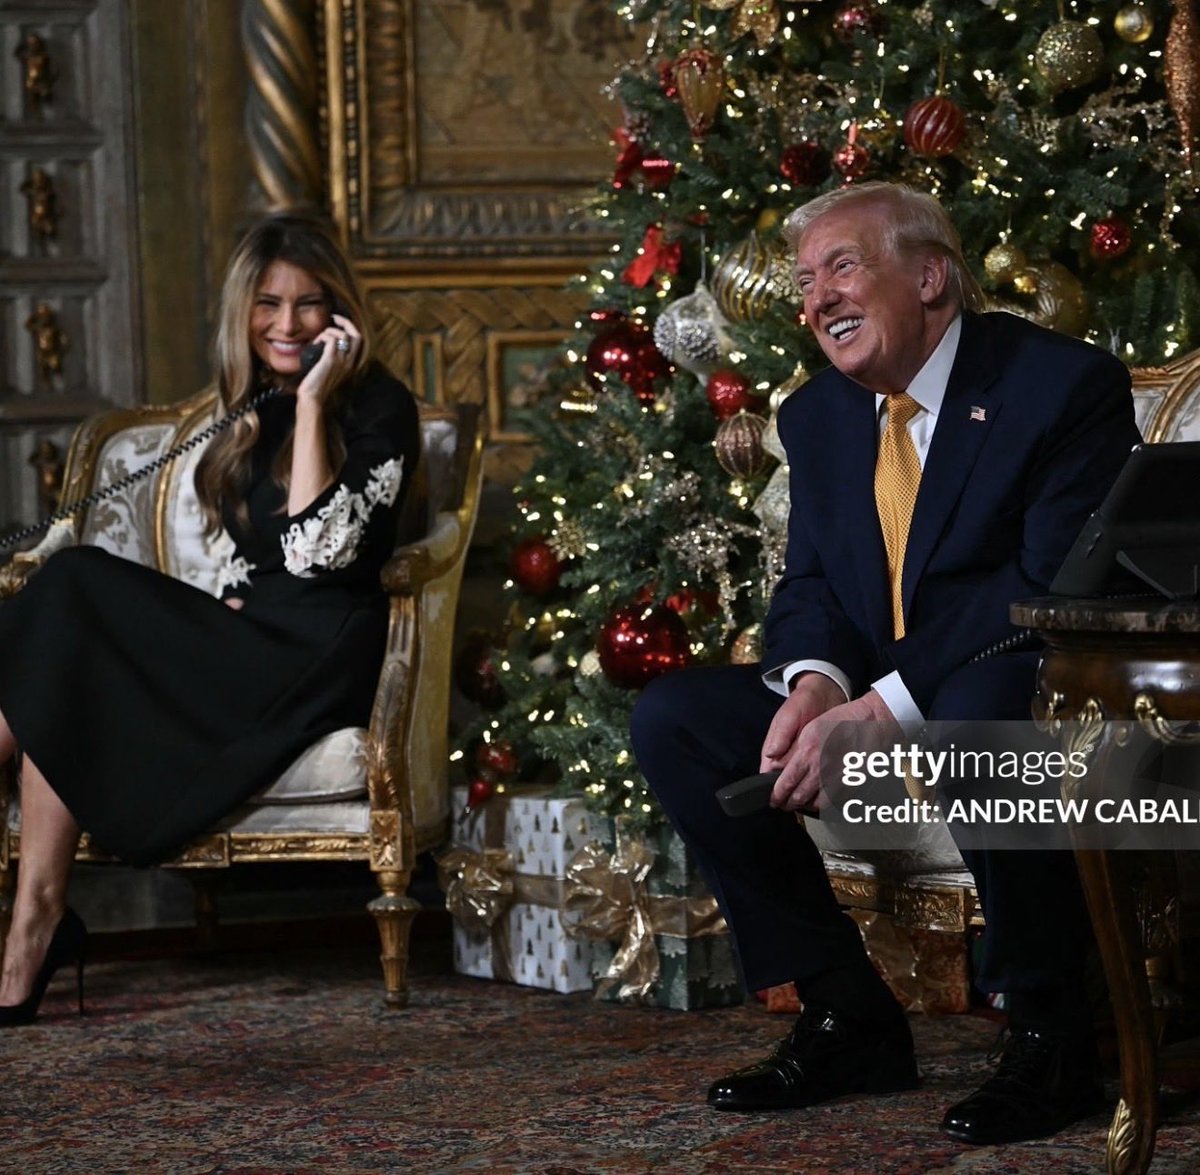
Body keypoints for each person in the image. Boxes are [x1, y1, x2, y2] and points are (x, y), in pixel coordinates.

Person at [631, 182, 1140, 1146]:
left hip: (1019, 676)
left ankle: (1051, 1032)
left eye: (842, 266)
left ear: (933, 276)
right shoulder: (820, 415)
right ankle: (846, 1012)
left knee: (981, 707)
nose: (816, 297)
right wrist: (816, 682)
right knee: (678, 719)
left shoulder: (1059, 385)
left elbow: (1043, 585)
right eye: (805, 281)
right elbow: (813, 584)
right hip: (872, 689)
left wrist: (886, 705)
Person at [0, 211, 420, 1026]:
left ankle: (33, 928)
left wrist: (311, 404)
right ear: (245, 310)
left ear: (339, 309)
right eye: (269, 302)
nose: (288, 323)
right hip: (253, 634)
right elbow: (260, 556)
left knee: (74, 583)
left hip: (315, 655)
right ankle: (36, 918)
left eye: (308, 302)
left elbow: (313, 551)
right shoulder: (251, 406)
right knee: (64, 651)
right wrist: (230, 597)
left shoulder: (378, 407)